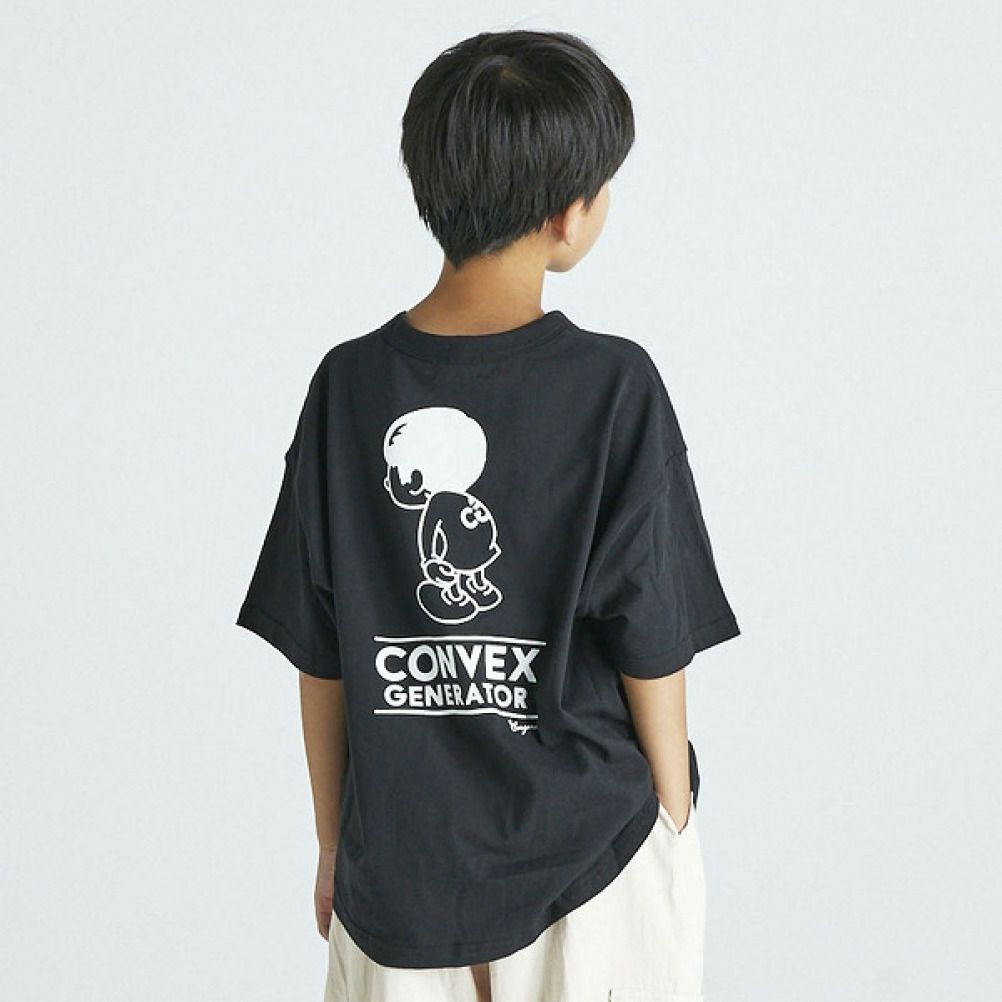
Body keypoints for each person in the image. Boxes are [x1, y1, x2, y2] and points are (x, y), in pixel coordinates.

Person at [236, 28, 741, 1002]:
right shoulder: (613, 386)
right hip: (591, 867)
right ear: (568, 212)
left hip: (396, 875)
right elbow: (652, 635)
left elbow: (321, 650)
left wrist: (334, 844)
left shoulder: (347, 387)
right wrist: (675, 823)